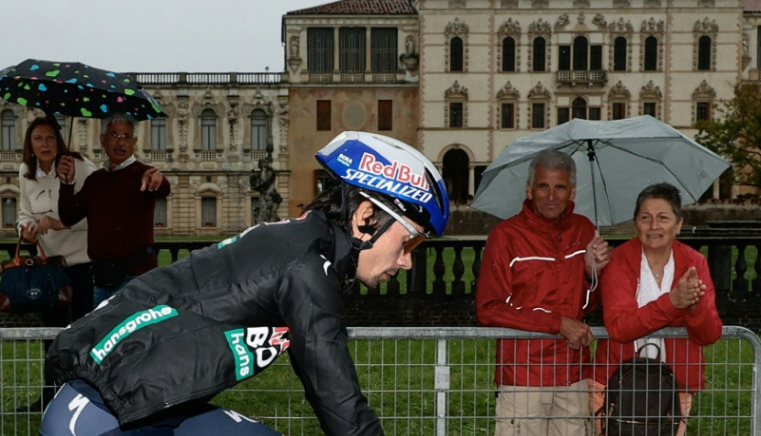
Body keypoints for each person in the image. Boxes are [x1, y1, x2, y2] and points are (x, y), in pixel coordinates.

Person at [40, 131, 451, 435]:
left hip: (145, 407)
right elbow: (339, 402)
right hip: (102, 415)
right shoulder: (308, 265)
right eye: (409, 239)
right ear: (365, 219)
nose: (407, 259)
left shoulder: (304, 242)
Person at [476, 149, 612, 436]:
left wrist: (592, 274)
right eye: (543, 186)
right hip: (523, 377)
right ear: (529, 189)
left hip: (571, 373)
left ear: (572, 191)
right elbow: (489, 308)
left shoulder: (584, 230)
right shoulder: (505, 236)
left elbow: (585, 306)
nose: (551, 196)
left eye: (560, 187)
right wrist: (557, 324)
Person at [592, 183, 722, 436]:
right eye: (645, 218)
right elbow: (620, 326)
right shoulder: (618, 261)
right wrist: (672, 303)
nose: (654, 226)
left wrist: (696, 308)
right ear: (635, 223)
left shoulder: (694, 262)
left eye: (663, 218)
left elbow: (709, 334)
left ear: (679, 224)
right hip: (615, 381)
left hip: (675, 384)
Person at [13, 116, 97, 412]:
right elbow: (24, 211)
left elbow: (96, 213)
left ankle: (85, 398)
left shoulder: (80, 166)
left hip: (82, 263)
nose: (45, 144)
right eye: (38, 139)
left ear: (59, 141)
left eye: (50, 138)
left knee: (82, 334)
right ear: (30, 144)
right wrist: (25, 227)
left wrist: (56, 222)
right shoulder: (26, 172)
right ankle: (50, 396)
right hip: (50, 266)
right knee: (52, 335)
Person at [57, 114, 170, 306]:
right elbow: (68, 216)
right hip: (102, 280)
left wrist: (158, 180)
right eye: (115, 136)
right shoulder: (95, 181)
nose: (121, 142)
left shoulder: (143, 173)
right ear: (103, 140)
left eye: (126, 136)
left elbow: (163, 187)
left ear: (134, 141)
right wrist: (66, 182)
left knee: (134, 334)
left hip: (136, 279)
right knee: (103, 335)